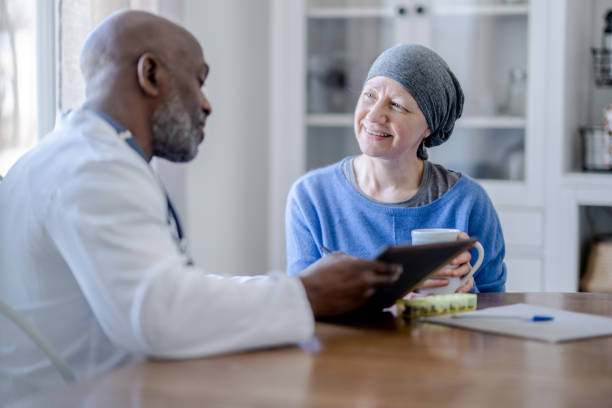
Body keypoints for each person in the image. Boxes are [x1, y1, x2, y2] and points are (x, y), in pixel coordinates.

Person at [0, 10, 402, 403]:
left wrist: (302, 286)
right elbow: (159, 316)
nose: (207, 105)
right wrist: (306, 293)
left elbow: (169, 289)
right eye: (199, 80)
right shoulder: (96, 166)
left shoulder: (70, 154)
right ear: (151, 73)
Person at [285, 44, 506, 294]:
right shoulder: (311, 196)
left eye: (397, 105)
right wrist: (397, 295)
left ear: (428, 127)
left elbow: (493, 304)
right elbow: (303, 305)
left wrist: (465, 289)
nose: (374, 115)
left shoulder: (468, 202)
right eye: (369, 95)